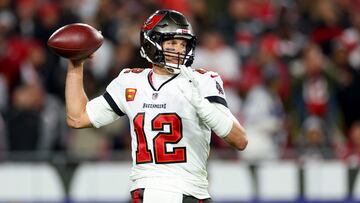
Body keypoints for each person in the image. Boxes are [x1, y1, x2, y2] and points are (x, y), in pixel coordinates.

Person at [65, 9, 247, 203]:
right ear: (152, 43)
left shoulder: (202, 81)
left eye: (183, 43)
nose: (179, 49)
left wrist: (204, 107)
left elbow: (240, 140)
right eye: (172, 42)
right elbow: (78, 118)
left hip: (190, 192)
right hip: (146, 189)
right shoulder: (130, 80)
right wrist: (76, 66)